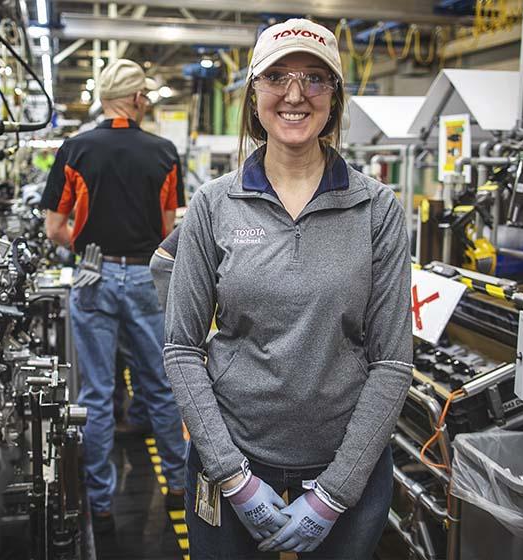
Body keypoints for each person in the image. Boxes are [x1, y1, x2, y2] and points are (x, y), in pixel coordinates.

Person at [164, 18, 412, 558]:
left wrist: (334, 494)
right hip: (232, 456)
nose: (295, 94)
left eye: (315, 78)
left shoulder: (377, 210)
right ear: (254, 95)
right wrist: (232, 478)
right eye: (277, 77)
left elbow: (392, 361)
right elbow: (181, 348)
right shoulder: (214, 205)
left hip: (345, 464)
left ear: (334, 97)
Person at [41, 59, 188, 534]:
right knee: (161, 386)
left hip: (93, 274)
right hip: (147, 275)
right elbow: (168, 231)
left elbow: (54, 228)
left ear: (104, 99)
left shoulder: (76, 149)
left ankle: (100, 503)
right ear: (138, 99)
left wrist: (86, 248)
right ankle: (179, 486)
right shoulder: (164, 152)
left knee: (98, 393)